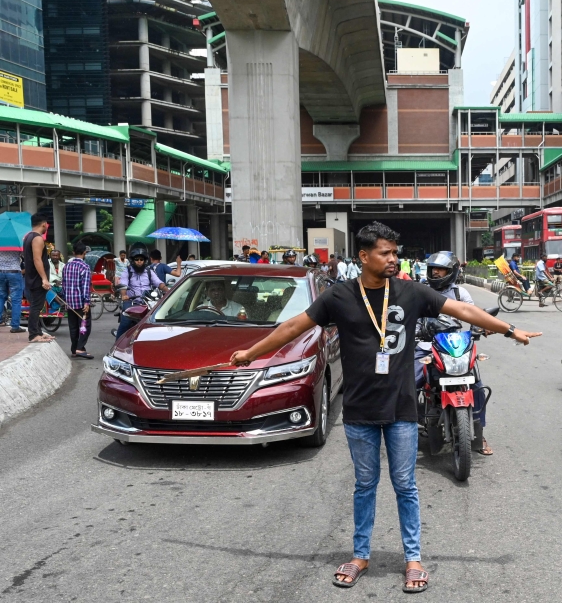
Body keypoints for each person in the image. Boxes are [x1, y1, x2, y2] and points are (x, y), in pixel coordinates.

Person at [229, 221, 540, 592]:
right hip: (359, 409)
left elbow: (460, 310)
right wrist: (251, 353)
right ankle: (360, 555)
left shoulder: (411, 292)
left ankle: (413, 559)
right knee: (365, 485)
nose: (394, 259)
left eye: (395, 252)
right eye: (385, 252)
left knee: (405, 485)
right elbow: (294, 326)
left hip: (402, 408)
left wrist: (508, 330)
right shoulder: (339, 296)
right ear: (364, 256)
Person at [419, 252, 493, 455]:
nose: (436, 272)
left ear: (451, 272)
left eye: (440, 269)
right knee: (411, 382)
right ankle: (405, 429)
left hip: (455, 348)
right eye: (433, 268)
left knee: (476, 386)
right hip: (426, 346)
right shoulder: (422, 291)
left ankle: (479, 432)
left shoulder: (460, 294)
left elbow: (474, 314)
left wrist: (484, 325)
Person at [114, 243, 168, 339]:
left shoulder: (149, 271)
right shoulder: (128, 271)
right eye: (137, 259)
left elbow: (159, 283)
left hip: (147, 302)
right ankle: (117, 345)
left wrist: (168, 291)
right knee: (125, 321)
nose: (139, 262)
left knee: (160, 319)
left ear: (145, 261)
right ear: (132, 260)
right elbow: (123, 285)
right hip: (131, 302)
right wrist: (124, 295)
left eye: (141, 259)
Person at [23, 214, 53, 343]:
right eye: (46, 224)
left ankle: (38, 332)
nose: (47, 226)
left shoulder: (28, 237)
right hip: (36, 279)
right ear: (43, 224)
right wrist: (44, 279)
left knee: (37, 306)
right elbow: (37, 259)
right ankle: (34, 335)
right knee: (36, 306)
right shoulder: (37, 238)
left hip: (31, 278)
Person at [62, 241, 93, 358]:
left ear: (73, 252)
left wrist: (65, 299)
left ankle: (74, 349)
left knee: (73, 327)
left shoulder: (66, 266)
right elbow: (85, 286)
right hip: (81, 303)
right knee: (85, 326)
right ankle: (80, 348)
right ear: (85, 252)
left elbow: (64, 285)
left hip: (69, 302)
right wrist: (87, 302)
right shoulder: (85, 267)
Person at [0, 237, 25, 333]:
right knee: (16, 300)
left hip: (0, 272)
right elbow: (24, 255)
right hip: (14, 272)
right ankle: (15, 326)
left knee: (1, 297)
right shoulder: (17, 242)